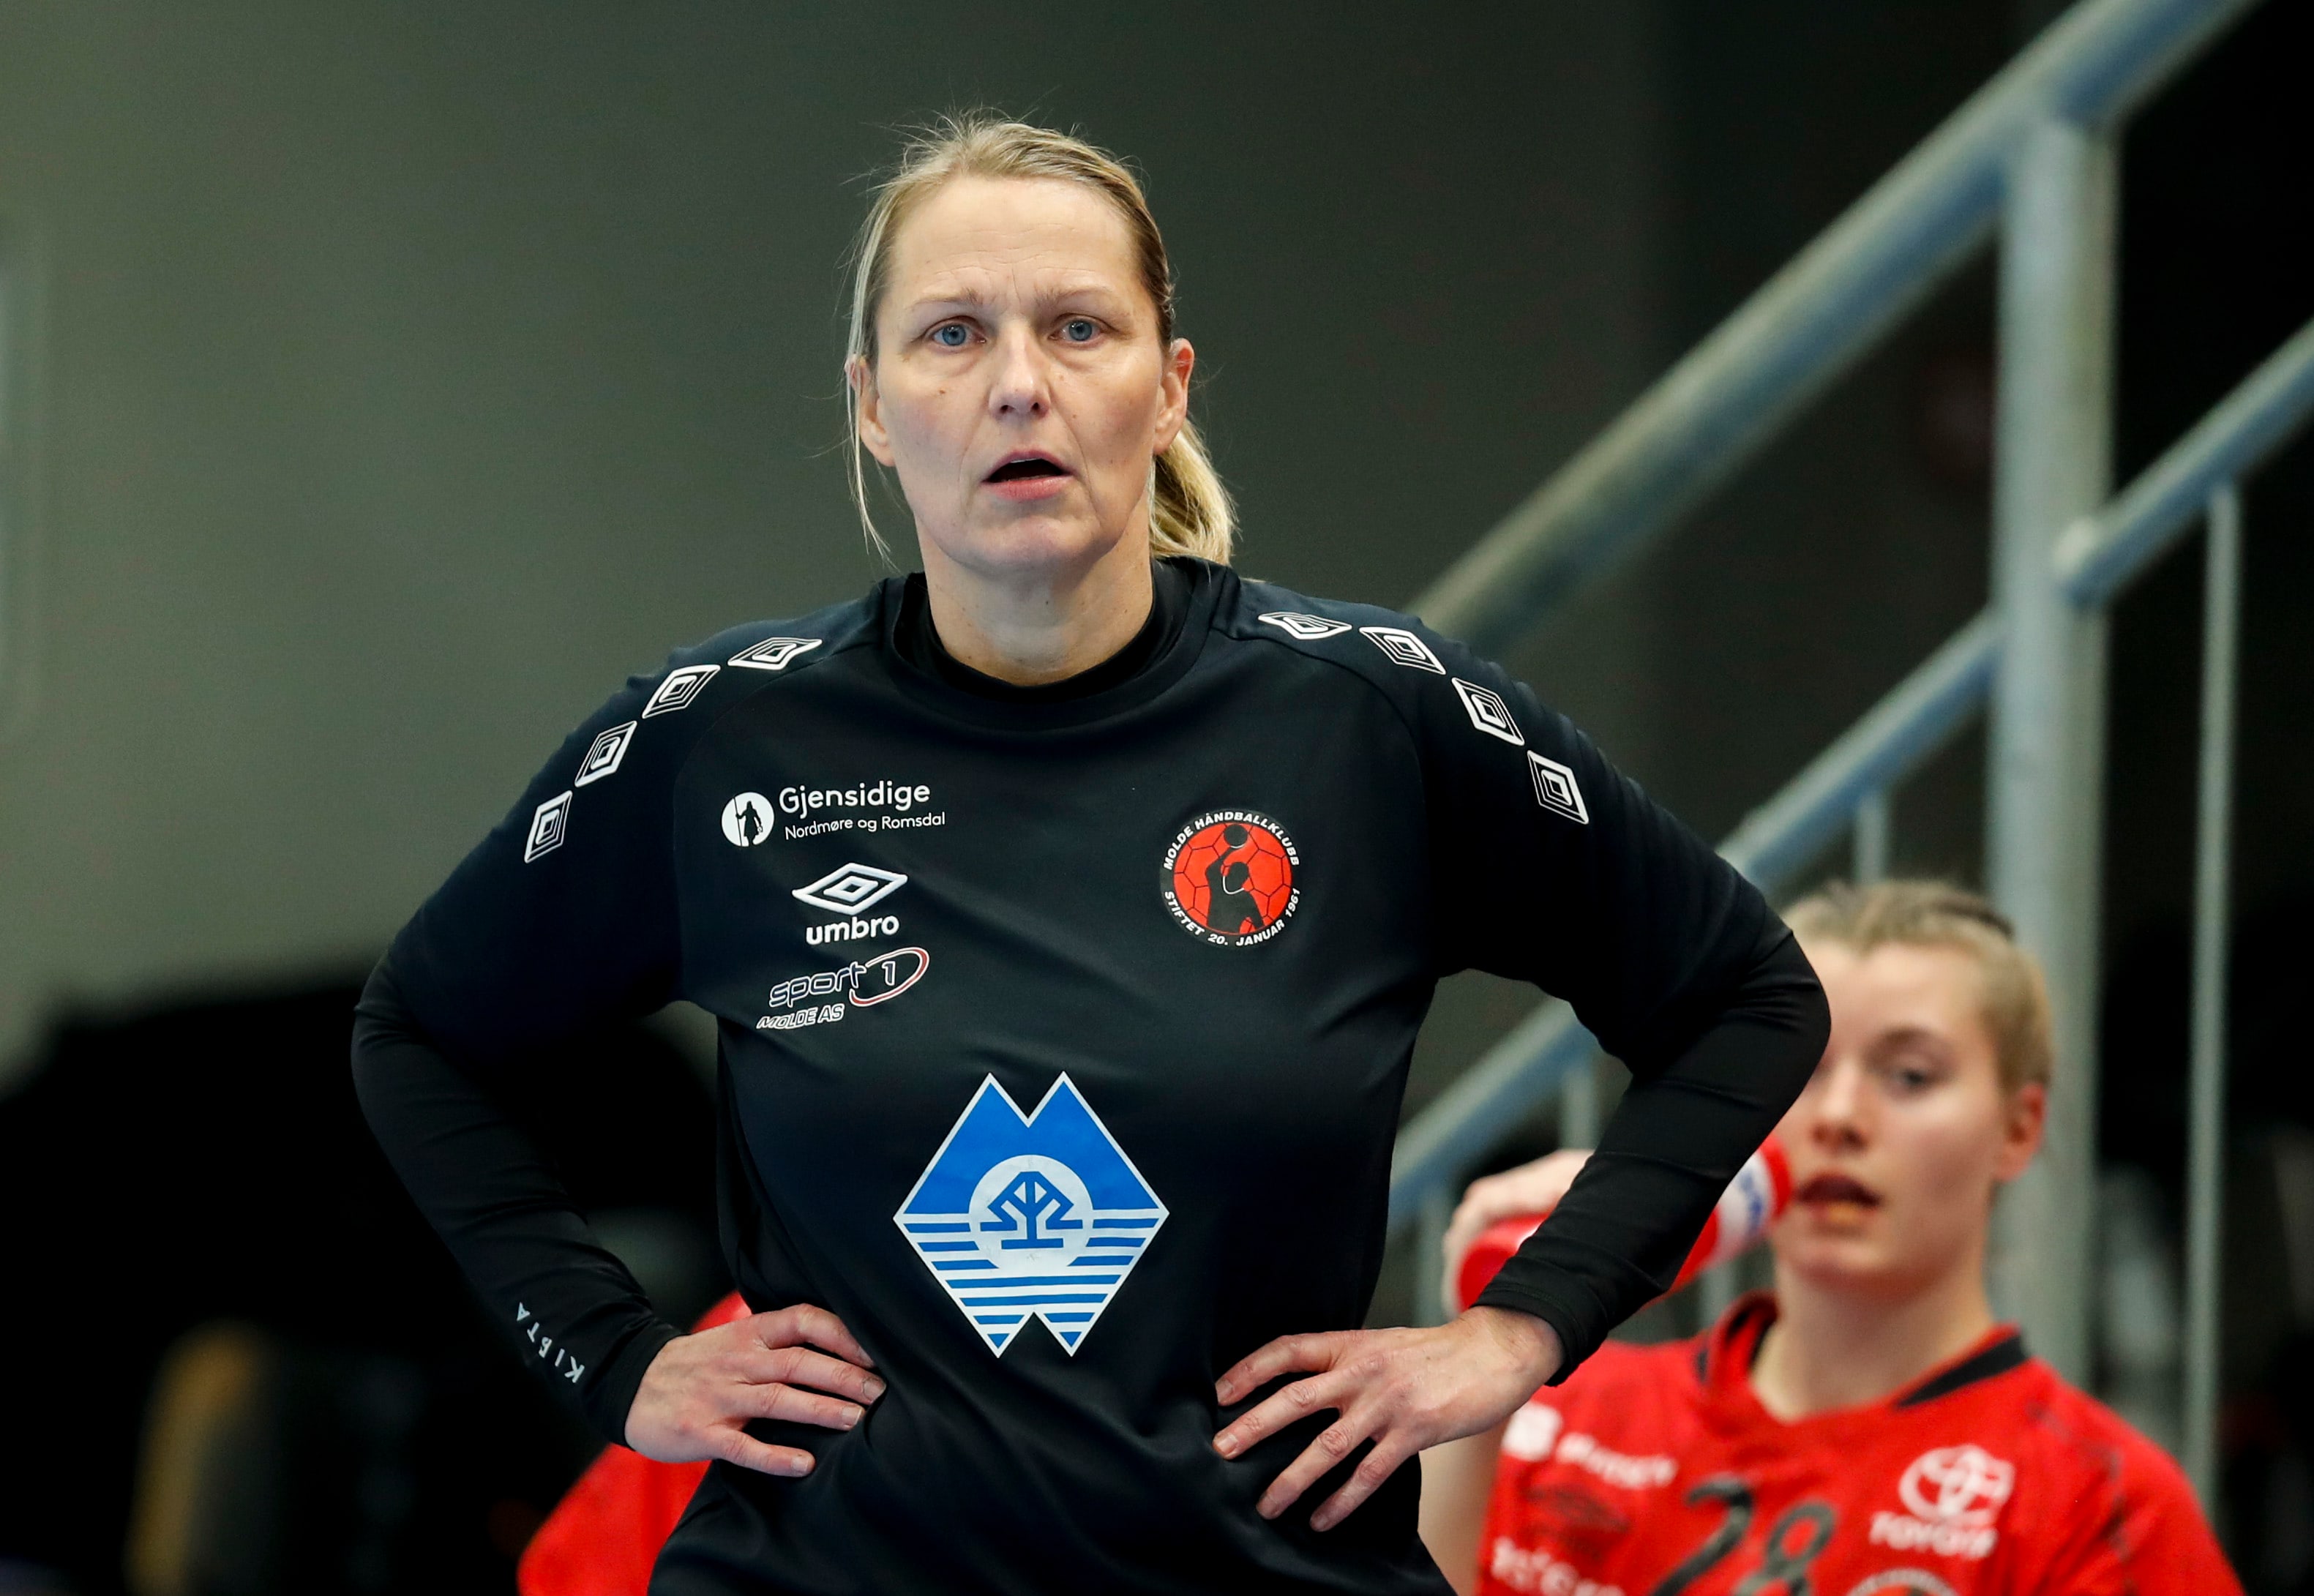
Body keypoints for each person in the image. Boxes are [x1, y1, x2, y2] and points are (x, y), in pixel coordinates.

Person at [351, 115, 1829, 1595]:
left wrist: (1522, 1328)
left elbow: (1745, 996)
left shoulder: (1373, 717)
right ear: (872, 407)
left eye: (1078, 327)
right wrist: (613, 1355)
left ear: (1168, 388)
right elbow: (422, 1032)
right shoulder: (722, 739)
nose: (1018, 383)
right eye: (951, 334)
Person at [1420, 880, 2241, 1595]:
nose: (1839, 1117)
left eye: (1910, 1075)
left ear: (2019, 1128)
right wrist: (1487, 1353)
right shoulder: (1566, 1413)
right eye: (1798, 1070)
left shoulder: (2097, 1503)